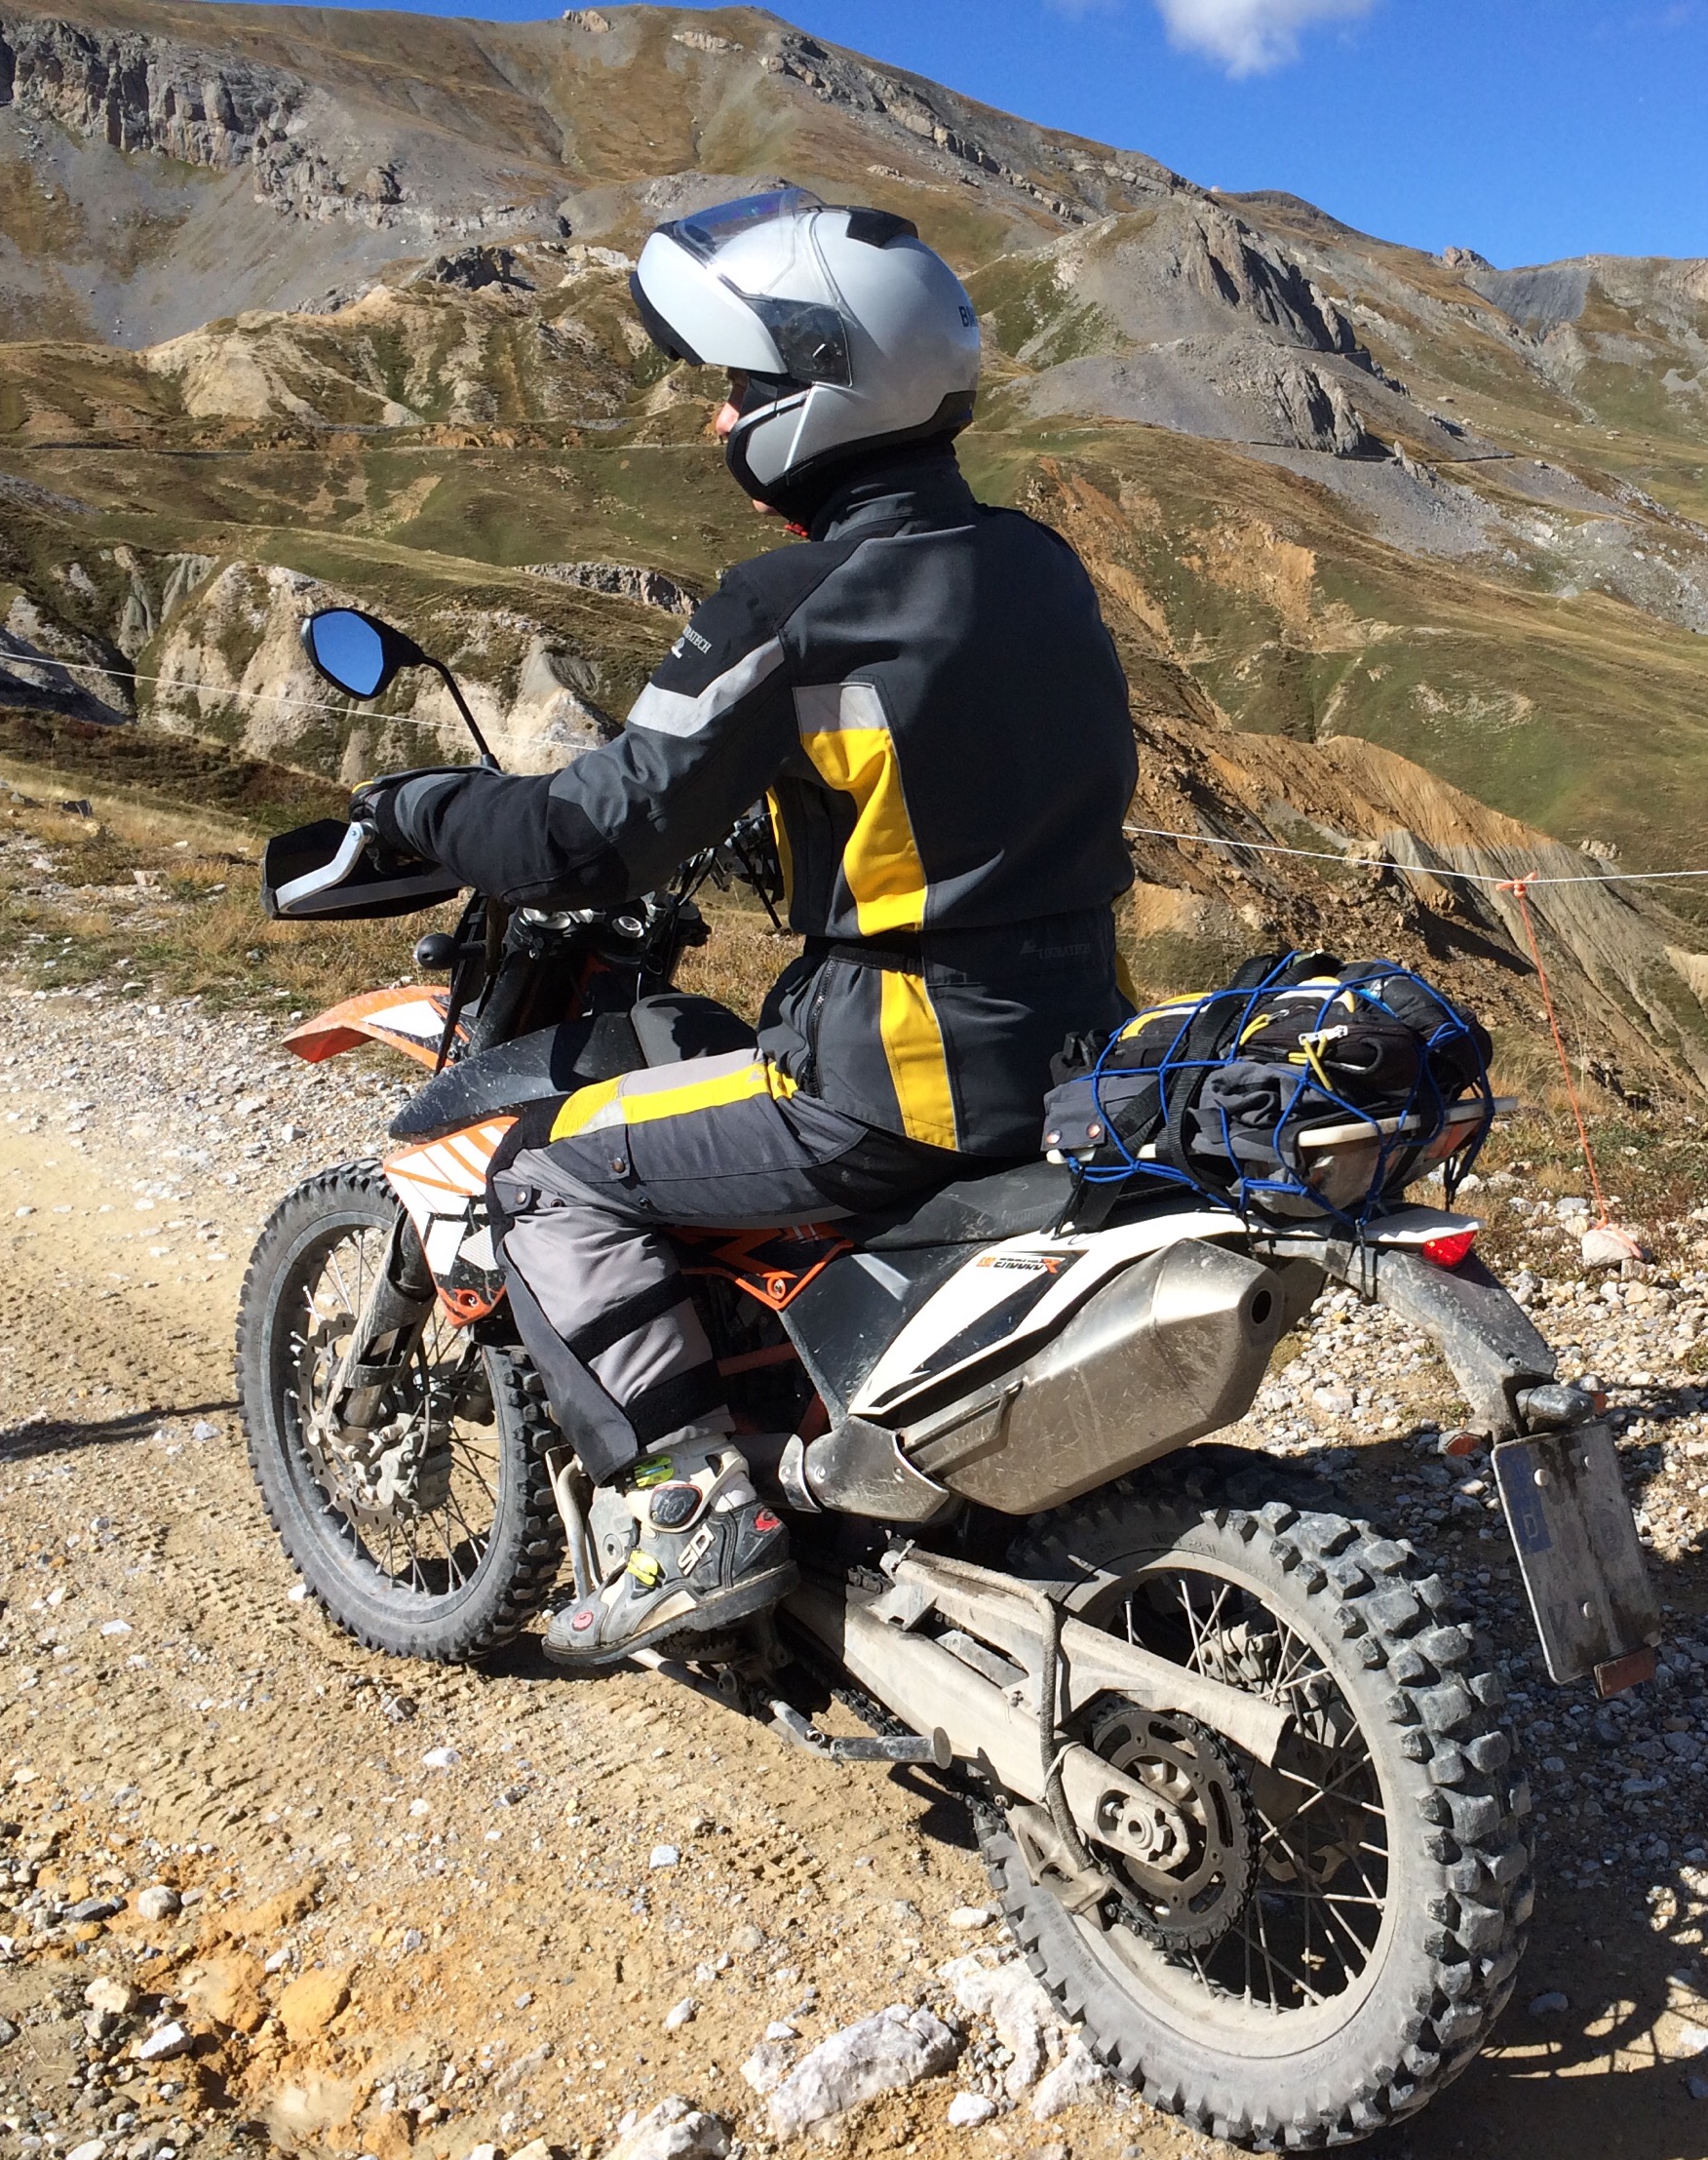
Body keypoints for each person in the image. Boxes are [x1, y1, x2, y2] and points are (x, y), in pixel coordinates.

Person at [354, 190, 1140, 1665]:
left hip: (893, 1081)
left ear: (820, 395)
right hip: (1080, 1054)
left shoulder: (794, 601)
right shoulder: (1039, 560)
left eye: (740, 387)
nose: (720, 420)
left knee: (546, 1174)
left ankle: (684, 1505)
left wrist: (418, 805)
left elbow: (585, 833)